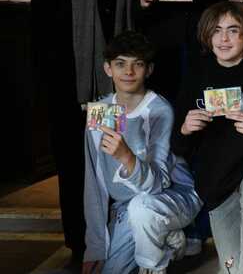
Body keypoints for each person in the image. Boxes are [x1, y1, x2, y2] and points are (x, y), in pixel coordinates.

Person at [31, 0, 136, 265]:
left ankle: (116, 239)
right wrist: (48, 79)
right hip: (71, 83)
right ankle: (81, 244)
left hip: (118, 83)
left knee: (112, 158)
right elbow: (40, 23)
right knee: (76, 164)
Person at [82, 31, 201, 274]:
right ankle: (165, 238)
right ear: (107, 69)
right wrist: (95, 246)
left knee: (142, 208)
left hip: (170, 197)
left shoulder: (160, 110)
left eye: (137, 64)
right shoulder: (101, 111)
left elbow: (158, 184)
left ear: (149, 70)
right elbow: (94, 183)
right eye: (120, 64)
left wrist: (126, 157)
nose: (128, 72)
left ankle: (161, 252)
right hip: (126, 207)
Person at [172, 2, 243, 274]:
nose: (224, 38)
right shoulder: (196, 75)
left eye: (233, 30)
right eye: (217, 30)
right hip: (217, 182)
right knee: (231, 269)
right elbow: (178, 146)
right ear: (208, 36)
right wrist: (185, 129)